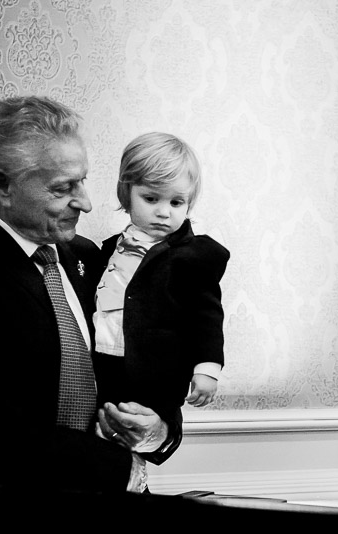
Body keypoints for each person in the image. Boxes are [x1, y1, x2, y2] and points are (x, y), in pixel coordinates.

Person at [0, 97, 182, 529]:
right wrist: (119, 469)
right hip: (11, 528)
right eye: (62, 187)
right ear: (1, 185)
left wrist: (159, 429)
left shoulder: (89, 259)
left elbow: (142, 363)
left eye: (83, 181)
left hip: (111, 520)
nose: (86, 203)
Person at [92, 132, 230, 489]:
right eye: (151, 198)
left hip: (155, 367)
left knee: (139, 422)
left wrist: (207, 368)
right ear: (127, 194)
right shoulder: (105, 251)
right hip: (104, 360)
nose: (163, 211)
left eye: (176, 202)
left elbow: (207, 315)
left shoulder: (192, 255)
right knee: (106, 427)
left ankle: (129, 480)